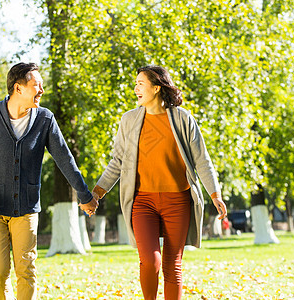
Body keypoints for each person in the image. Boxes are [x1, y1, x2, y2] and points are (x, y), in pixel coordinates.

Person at [80, 65, 227, 300]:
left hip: (177, 200)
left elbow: (202, 160)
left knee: (173, 265)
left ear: (157, 87)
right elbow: (117, 162)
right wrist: (97, 193)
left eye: (141, 83)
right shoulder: (128, 120)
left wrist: (215, 194)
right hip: (142, 201)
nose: (135, 88)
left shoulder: (182, 118)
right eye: (136, 83)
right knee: (150, 260)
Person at [0, 62, 98, 300]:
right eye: (36, 85)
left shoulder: (45, 119)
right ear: (18, 88)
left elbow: (64, 158)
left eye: (42, 85)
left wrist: (84, 195)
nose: (41, 90)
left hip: (26, 207)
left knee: (26, 269)